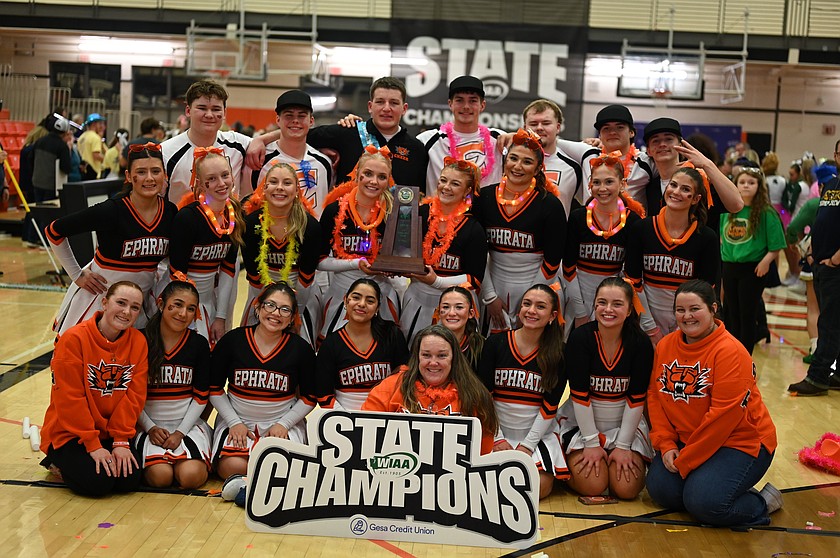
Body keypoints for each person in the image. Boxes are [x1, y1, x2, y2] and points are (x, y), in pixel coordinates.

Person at [647, 279, 781, 526]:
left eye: (695, 309)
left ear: (713, 308)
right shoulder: (666, 345)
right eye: (680, 310)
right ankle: (716, 486)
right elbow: (656, 397)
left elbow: (722, 420)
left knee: (705, 504)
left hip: (741, 442)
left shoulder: (731, 351)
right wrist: (666, 444)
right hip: (690, 440)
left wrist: (686, 460)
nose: (687, 316)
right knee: (661, 490)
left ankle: (762, 502)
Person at [47, 143, 177, 334]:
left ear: (164, 175)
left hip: (140, 306)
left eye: (155, 171)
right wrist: (77, 275)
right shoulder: (111, 210)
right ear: (128, 176)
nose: (149, 178)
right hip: (99, 301)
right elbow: (54, 231)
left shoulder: (170, 212)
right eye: (141, 172)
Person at [39, 281, 149, 497]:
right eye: (121, 303)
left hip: (109, 431)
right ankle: (55, 460)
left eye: (135, 307)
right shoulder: (73, 339)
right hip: (70, 432)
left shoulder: (138, 342)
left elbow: (134, 396)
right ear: (105, 303)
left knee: (129, 480)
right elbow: (70, 398)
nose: (127, 312)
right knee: (98, 483)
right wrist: (92, 444)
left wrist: (120, 441)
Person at [559, 277, 653, 499]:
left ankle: (614, 456)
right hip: (582, 424)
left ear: (630, 310)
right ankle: (565, 466)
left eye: (617, 304)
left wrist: (623, 446)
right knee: (593, 485)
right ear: (594, 305)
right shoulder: (580, 338)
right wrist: (591, 443)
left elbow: (636, 399)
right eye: (602, 303)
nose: (608, 309)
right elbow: (580, 396)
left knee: (626, 489)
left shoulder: (640, 343)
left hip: (625, 425)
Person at [210, 282, 317, 479]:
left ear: (292, 317)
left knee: (279, 467)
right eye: (270, 305)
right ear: (257, 307)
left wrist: (284, 424)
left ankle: (247, 489)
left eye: (285, 310)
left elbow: (310, 398)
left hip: (282, 422)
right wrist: (234, 422)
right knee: (232, 467)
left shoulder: (301, 349)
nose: (276, 313)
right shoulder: (233, 340)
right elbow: (214, 388)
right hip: (238, 421)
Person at [247, 77, 428, 190]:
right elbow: (298, 132)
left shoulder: (417, 149)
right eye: (380, 102)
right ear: (370, 106)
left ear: (404, 109)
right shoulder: (347, 132)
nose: (386, 108)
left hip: (395, 237)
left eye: (394, 103)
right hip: (347, 233)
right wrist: (261, 140)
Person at [479, 284, 568, 499]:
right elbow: (485, 397)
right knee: (483, 484)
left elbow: (550, 405)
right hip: (496, 430)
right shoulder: (495, 343)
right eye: (527, 304)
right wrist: (498, 438)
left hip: (535, 435)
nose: (531, 311)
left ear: (552, 316)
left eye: (540, 306)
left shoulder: (559, 353)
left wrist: (527, 446)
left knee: (537, 488)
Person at [473, 128, 566, 332]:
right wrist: (489, 296)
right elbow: (476, 253)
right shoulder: (484, 198)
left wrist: (532, 300)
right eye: (513, 158)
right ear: (505, 160)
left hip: (536, 283)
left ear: (538, 168)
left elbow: (552, 261)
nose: (517, 166)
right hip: (492, 285)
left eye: (527, 161)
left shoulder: (550, 205)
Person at [363, 324, 498, 454]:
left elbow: (482, 454)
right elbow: (364, 434)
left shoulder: (476, 395)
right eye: (426, 355)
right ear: (417, 357)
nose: (433, 363)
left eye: (442, 355)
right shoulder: (390, 387)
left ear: (454, 358)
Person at [624, 165, 720, 339]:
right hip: (644, 322)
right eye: (673, 185)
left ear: (696, 198)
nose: (676, 192)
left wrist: (681, 330)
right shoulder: (642, 228)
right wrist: (650, 328)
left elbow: (706, 290)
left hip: (687, 325)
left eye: (685, 189)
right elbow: (633, 281)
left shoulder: (707, 237)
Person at [401, 159, 487, 343]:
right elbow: (400, 248)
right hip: (417, 299)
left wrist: (437, 281)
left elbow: (475, 279)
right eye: (443, 180)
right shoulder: (419, 212)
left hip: (455, 307)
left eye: (455, 183)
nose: (446, 187)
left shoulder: (473, 228)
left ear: (467, 191)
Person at [317, 147, 400, 340]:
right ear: (357, 175)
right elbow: (319, 261)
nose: (373, 181)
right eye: (368, 174)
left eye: (381, 177)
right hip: (340, 295)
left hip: (381, 294)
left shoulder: (394, 214)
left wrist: (393, 267)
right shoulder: (334, 210)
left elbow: (403, 257)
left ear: (388, 180)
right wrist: (356, 264)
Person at [136, 280, 211, 490]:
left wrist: (180, 432)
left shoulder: (198, 344)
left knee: (190, 477)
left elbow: (201, 396)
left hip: (186, 425)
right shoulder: (140, 340)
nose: (182, 313)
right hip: (148, 425)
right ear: (161, 304)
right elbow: (129, 394)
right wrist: (149, 427)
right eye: (177, 305)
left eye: (190, 309)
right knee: (161, 477)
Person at [166, 148, 245, 344]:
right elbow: (177, 273)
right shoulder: (187, 218)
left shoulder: (234, 213)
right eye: (212, 178)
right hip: (179, 301)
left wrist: (221, 316)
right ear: (200, 184)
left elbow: (228, 269)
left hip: (210, 302)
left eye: (225, 175)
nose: (221, 183)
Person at [241, 162, 322, 347]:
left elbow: (306, 278)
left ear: (296, 190)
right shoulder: (250, 223)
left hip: (302, 296)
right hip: (260, 295)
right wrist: (267, 310)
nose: (280, 188)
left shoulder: (310, 227)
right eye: (274, 182)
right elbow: (254, 277)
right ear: (264, 188)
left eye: (287, 183)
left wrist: (292, 313)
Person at [563, 152, 644, 327]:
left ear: (622, 184)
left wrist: (614, 303)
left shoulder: (633, 221)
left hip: (613, 300)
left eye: (609, 182)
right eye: (596, 182)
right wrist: (580, 311)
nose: (602, 188)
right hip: (577, 296)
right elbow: (568, 268)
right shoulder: (578, 217)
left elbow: (630, 274)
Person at [788, 139, 840, 395]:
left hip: (835, 266)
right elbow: (821, 221)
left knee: (829, 323)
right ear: (835, 155)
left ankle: (818, 377)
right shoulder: (830, 185)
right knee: (833, 321)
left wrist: (837, 258)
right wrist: (810, 250)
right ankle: (838, 374)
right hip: (821, 263)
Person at [316, 278, 409, 410]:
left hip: (387, 413)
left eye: (370, 301)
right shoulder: (331, 343)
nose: (362, 304)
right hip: (344, 414)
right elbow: (323, 394)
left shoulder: (392, 334)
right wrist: (344, 418)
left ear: (377, 307)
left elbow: (405, 375)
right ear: (345, 300)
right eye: (356, 298)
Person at [720, 168, 786, 353]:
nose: (746, 186)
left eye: (751, 182)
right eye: (742, 182)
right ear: (735, 185)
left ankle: (745, 356)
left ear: (759, 186)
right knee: (731, 314)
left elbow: (777, 244)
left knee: (747, 315)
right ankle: (730, 353)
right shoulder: (727, 209)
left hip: (753, 269)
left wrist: (766, 262)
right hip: (730, 267)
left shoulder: (766, 212)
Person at [161, 80, 252, 203]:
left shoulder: (238, 144)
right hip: (182, 221)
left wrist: (261, 140)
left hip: (229, 221)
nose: (209, 115)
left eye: (216, 109)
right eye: (202, 108)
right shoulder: (166, 152)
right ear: (188, 111)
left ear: (224, 113)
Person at [557, 104, 654, 213]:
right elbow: (552, 141)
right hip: (591, 225)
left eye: (620, 127)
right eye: (606, 128)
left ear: (632, 132)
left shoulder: (646, 161)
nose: (612, 132)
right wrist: (586, 142)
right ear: (600, 135)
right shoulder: (588, 153)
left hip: (632, 226)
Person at [250, 90, 333, 217]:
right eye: (289, 115)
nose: (295, 120)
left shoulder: (324, 163)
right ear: (278, 120)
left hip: (312, 236)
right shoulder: (260, 158)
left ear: (311, 121)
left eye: (301, 116)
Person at [417, 76, 504, 195]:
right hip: (440, 212)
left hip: (486, 213)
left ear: (482, 105)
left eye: (473, 100)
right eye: (459, 100)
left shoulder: (500, 138)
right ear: (450, 104)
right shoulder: (427, 140)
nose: (466, 106)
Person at [522, 99, 599, 217]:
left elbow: (590, 201)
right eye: (533, 124)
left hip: (557, 234)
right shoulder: (511, 163)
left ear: (558, 127)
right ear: (524, 127)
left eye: (546, 123)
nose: (539, 128)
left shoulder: (573, 167)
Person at [436, 286, 484, 372]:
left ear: (471, 313)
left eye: (459, 307)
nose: (451, 313)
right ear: (438, 312)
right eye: (446, 307)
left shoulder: (481, 346)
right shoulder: (426, 341)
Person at [78, 113, 107, 180]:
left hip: (83, 170)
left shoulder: (82, 137)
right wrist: (108, 160)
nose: (101, 126)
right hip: (94, 171)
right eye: (99, 124)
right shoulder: (95, 137)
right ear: (94, 124)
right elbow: (96, 155)